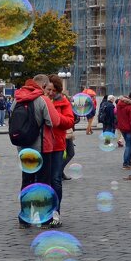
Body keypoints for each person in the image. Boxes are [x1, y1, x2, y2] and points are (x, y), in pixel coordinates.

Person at [12, 75, 59, 226]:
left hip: (23, 148)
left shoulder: (17, 98)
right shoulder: (42, 99)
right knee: (43, 183)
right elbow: (53, 121)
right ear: (44, 86)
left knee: (27, 181)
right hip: (41, 148)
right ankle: (44, 217)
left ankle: (24, 218)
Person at [44, 76, 76, 227]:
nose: (50, 93)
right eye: (48, 89)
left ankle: (55, 211)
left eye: (53, 90)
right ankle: (44, 210)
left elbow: (70, 121)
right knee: (43, 180)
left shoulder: (63, 102)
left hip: (56, 145)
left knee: (55, 179)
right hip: (42, 145)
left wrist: (56, 116)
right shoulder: (40, 101)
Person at [115, 92, 131, 169]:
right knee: (128, 146)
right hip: (129, 129)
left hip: (122, 127)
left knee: (128, 145)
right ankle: (126, 163)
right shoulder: (130, 107)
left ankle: (128, 162)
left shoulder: (119, 105)